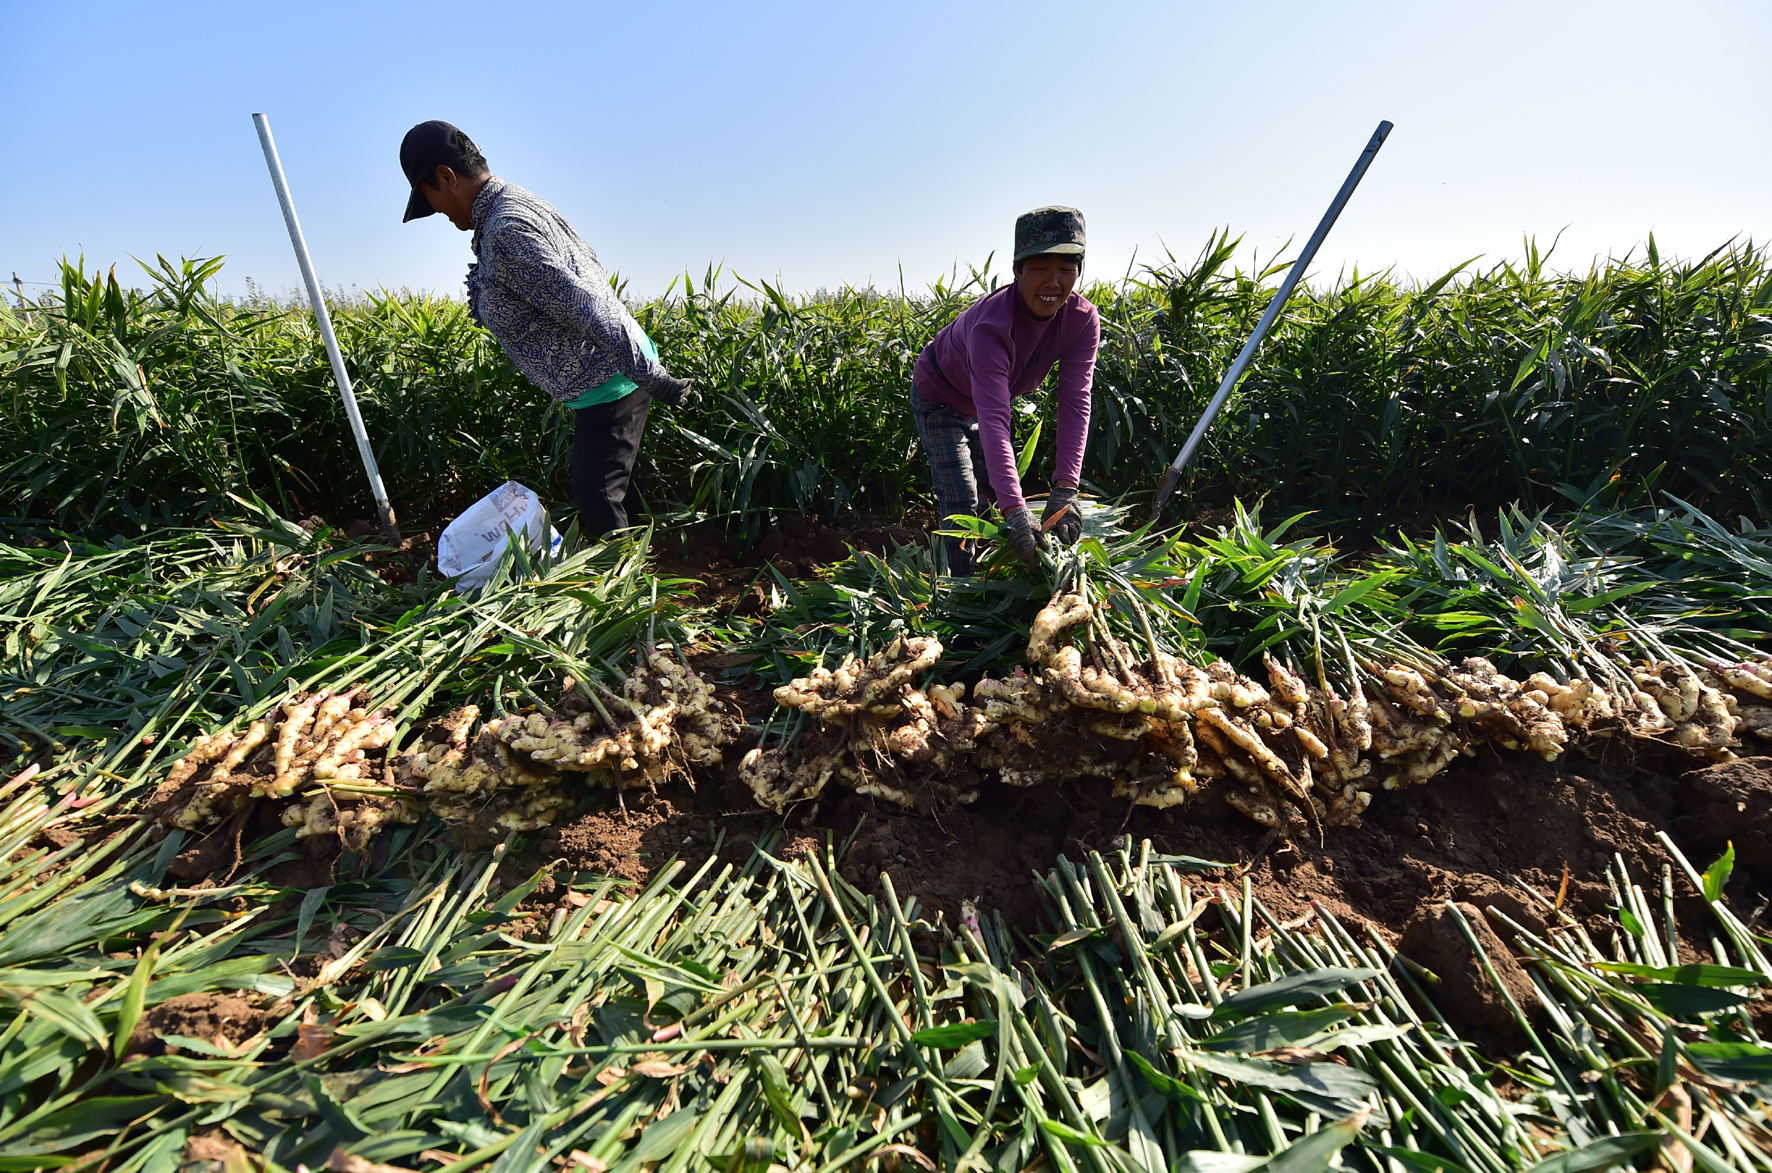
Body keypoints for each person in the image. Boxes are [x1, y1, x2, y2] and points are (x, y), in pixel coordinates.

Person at [398, 120, 693, 537]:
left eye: (432, 201)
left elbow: (585, 304)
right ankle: (652, 566)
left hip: (611, 380)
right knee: (618, 487)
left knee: (596, 496)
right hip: (611, 373)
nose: (439, 214)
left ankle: (626, 592)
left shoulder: (505, 231)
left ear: (446, 177)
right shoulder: (513, 204)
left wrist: (652, 375)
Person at [910, 206, 1100, 573]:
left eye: (1066, 269)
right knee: (964, 499)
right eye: (1040, 269)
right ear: (1017, 272)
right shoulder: (992, 326)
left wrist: (1066, 489)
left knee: (993, 497)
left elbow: (1075, 401)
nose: (1053, 282)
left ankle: (996, 576)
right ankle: (961, 594)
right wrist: (1017, 511)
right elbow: (995, 417)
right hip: (939, 396)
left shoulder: (1081, 320)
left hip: (982, 402)